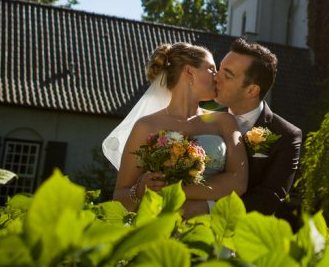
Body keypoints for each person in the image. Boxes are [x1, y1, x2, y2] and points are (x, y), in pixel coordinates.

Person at [104, 42, 248, 212]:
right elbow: (120, 198)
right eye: (211, 69)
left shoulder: (225, 121)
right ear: (189, 72)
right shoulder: (146, 126)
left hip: (208, 224)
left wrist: (173, 191)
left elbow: (238, 182)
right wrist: (140, 190)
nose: (217, 76)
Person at [183, 38, 302, 219]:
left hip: (239, 237)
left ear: (251, 91)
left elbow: (270, 198)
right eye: (219, 69)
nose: (216, 77)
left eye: (227, 75)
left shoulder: (286, 135)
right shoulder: (199, 118)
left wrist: (209, 208)